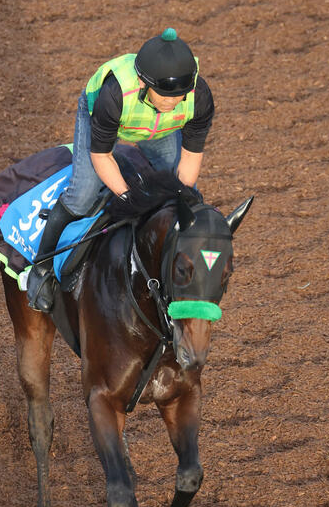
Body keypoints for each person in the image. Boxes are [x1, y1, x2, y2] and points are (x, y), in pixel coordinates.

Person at [27, 27, 215, 312]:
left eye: (180, 95)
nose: (173, 102)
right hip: (105, 119)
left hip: (162, 130)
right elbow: (102, 156)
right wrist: (130, 198)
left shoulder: (198, 95)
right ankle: (41, 267)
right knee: (82, 195)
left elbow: (190, 161)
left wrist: (181, 196)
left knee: (189, 197)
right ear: (142, 81)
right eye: (164, 95)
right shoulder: (113, 94)